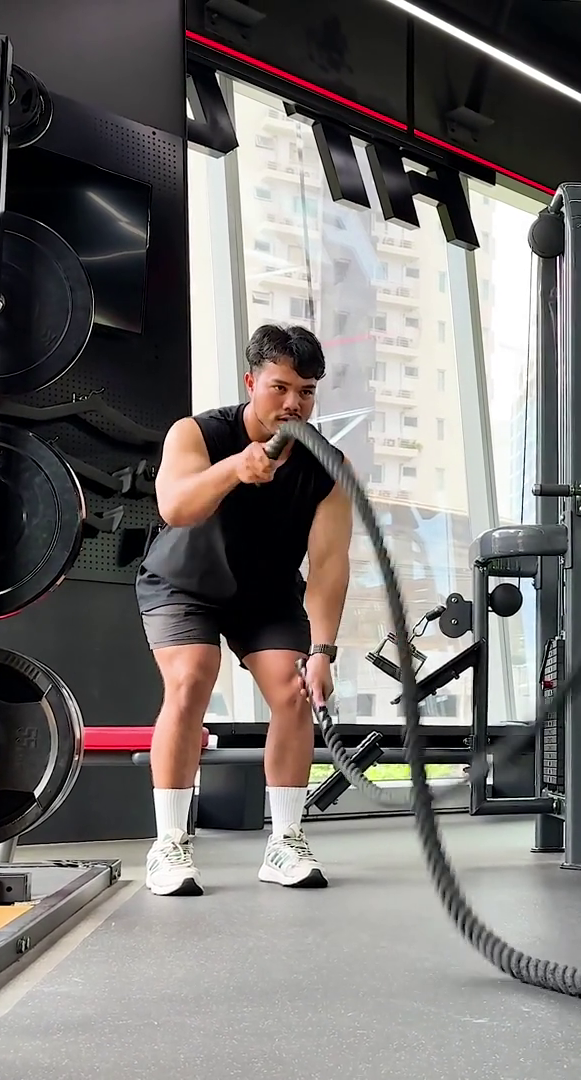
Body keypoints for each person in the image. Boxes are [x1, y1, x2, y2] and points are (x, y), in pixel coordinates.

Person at [135, 324, 352, 896]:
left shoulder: (328, 465)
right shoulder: (198, 433)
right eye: (280, 387)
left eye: (306, 392)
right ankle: (169, 844)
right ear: (252, 382)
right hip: (185, 583)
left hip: (267, 593)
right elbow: (175, 506)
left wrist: (323, 650)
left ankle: (285, 841)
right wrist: (234, 469)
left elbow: (329, 565)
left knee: (294, 690)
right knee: (191, 679)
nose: (293, 403)